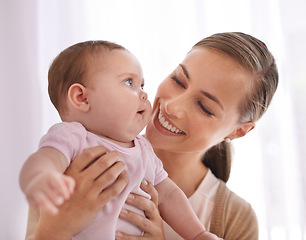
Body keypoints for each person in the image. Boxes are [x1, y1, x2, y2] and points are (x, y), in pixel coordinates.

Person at [24, 32, 278, 240]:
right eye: (178, 80)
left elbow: (167, 194)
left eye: (205, 107)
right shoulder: (76, 165)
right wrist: (56, 228)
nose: (172, 107)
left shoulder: (234, 219)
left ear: (238, 130)